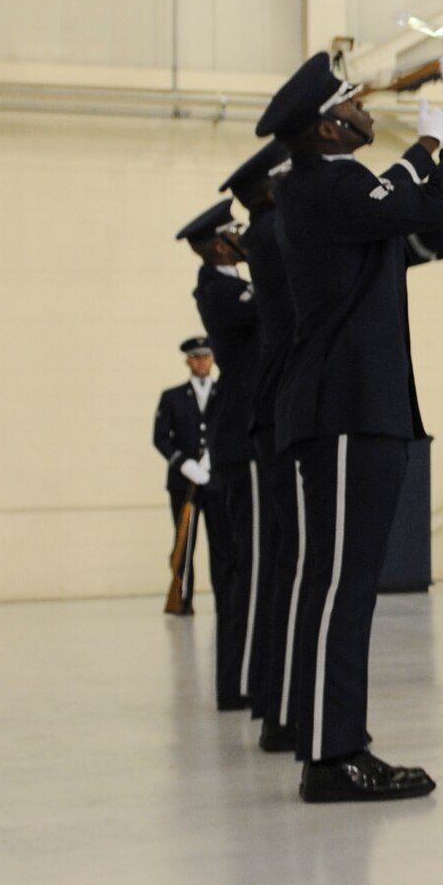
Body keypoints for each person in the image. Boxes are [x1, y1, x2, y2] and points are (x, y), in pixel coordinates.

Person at [258, 50, 443, 803]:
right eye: (355, 103)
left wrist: (428, 149)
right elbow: (437, 208)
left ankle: (322, 735)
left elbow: (401, 213)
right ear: (331, 126)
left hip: (350, 407)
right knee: (341, 585)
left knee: (336, 582)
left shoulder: (325, 187)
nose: (368, 108)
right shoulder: (329, 184)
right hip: (345, 409)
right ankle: (332, 757)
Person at [224, 140, 302, 751]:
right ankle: (282, 708)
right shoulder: (277, 234)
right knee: (290, 564)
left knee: (282, 563)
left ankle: (277, 704)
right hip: (284, 415)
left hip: (271, 415)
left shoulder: (265, 235)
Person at [177, 199, 258, 711]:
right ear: (218, 245)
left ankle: (246, 678)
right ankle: (241, 681)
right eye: (236, 231)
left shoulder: (232, 286)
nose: (245, 236)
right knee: (246, 568)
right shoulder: (223, 290)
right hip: (244, 437)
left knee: (250, 565)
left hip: (241, 436)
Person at [154, 336, 217, 615]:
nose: (201, 361)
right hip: (183, 482)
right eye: (196, 357)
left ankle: (226, 599)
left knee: (222, 543)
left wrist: (212, 459)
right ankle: (183, 597)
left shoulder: (224, 393)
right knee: (184, 541)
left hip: (216, 480)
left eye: (205, 356)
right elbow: (160, 438)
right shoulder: (172, 397)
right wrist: (185, 464)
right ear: (188, 361)